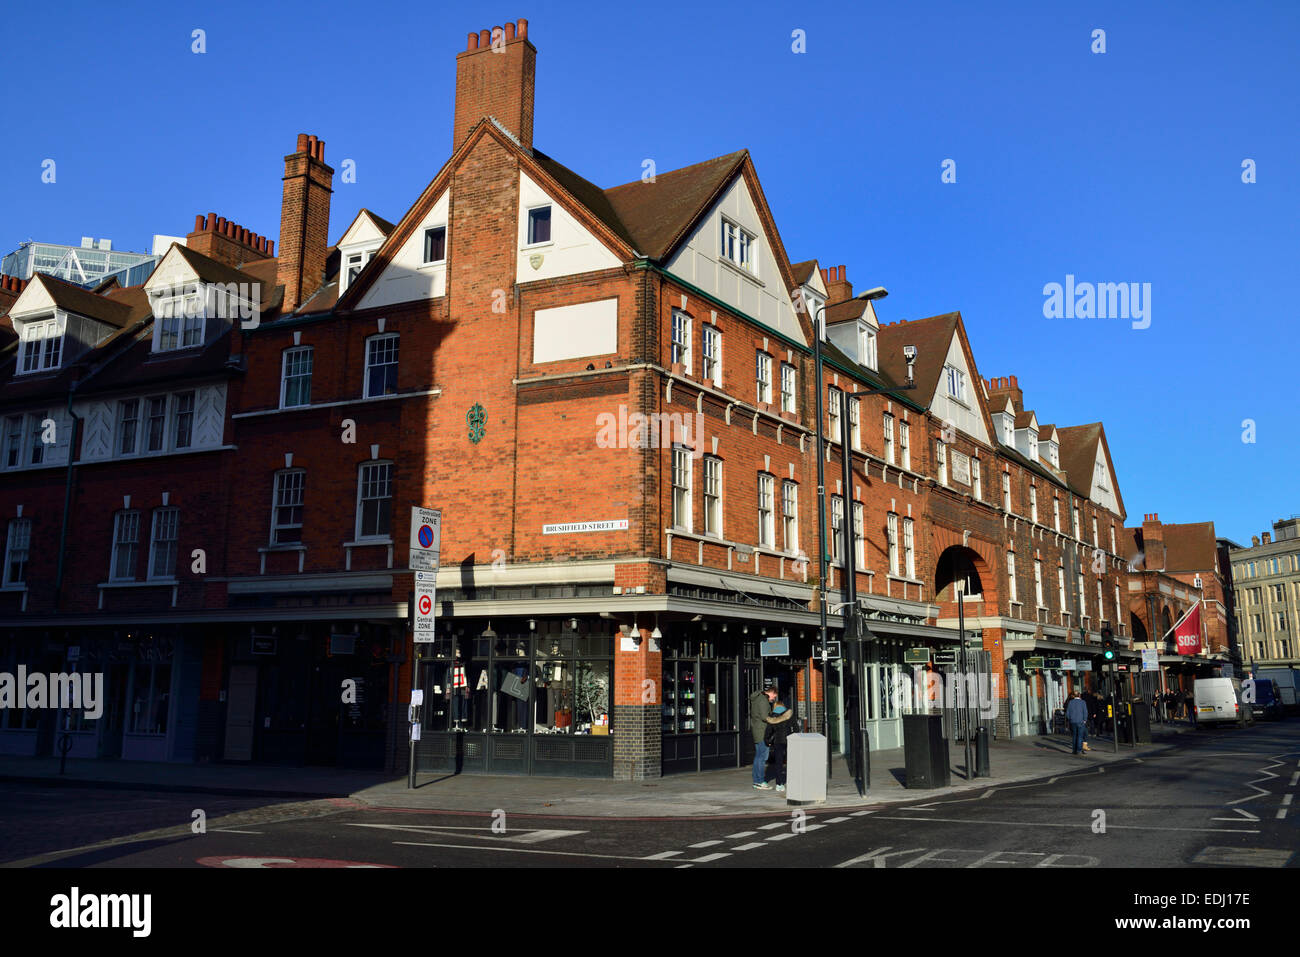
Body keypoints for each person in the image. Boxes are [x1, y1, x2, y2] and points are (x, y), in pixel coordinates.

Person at [748, 684, 789, 790]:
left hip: (757, 730)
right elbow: (765, 717)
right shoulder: (763, 700)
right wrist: (775, 719)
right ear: (772, 692)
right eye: (774, 696)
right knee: (762, 757)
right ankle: (760, 781)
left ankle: (757, 781)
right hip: (762, 731)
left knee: (758, 756)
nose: (774, 699)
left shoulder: (757, 698)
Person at [764, 702, 797, 791]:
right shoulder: (789, 715)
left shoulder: (772, 717)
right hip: (790, 740)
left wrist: (767, 741)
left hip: (778, 741)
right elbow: (796, 727)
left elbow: (768, 730)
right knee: (791, 760)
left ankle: (779, 784)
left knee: (779, 762)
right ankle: (793, 780)